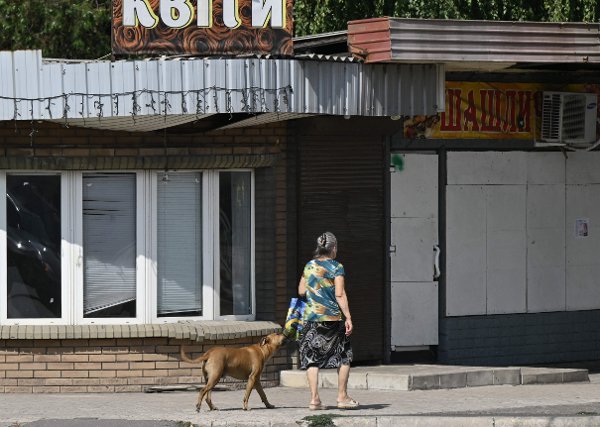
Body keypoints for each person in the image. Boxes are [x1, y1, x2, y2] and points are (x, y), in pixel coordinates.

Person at [298, 231, 358, 410]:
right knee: (344, 356)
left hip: (310, 317)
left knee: (311, 358)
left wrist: (315, 290)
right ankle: (342, 397)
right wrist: (348, 316)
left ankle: (314, 400)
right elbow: (339, 294)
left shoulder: (309, 266)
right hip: (332, 318)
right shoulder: (336, 267)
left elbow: (301, 291)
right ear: (333, 248)